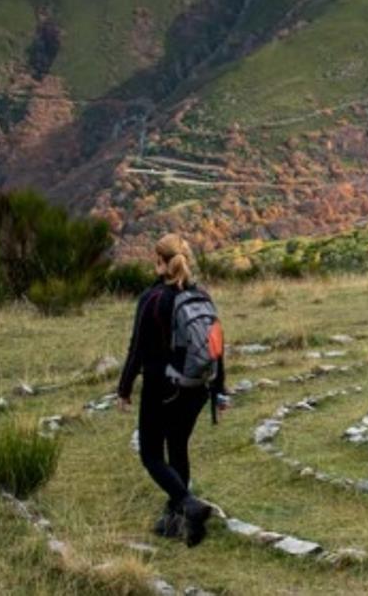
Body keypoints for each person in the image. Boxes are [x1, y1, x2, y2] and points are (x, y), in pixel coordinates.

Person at [116, 233, 226, 547]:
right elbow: (217, 344)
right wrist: (219, 390)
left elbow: (136, 348)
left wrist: (124, 388)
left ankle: (187, 503)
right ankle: (180, 521)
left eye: (156, 259)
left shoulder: (153, 298)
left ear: (162, 263)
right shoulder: (202, 295)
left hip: (162, 387)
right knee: (177, 446)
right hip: (198, 388)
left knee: (151, 453)